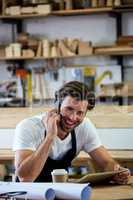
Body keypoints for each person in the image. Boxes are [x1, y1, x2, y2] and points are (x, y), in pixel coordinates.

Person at [13, 81, 130, 183]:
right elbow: (25, 178)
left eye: (80, 113)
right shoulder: (29, 127)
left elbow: (106, 163)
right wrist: (49, 137)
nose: (73, 118)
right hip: (29, 194)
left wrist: (117, 171)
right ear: (57, 104)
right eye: (69, 109)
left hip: (62, 191)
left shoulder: (84, 126)